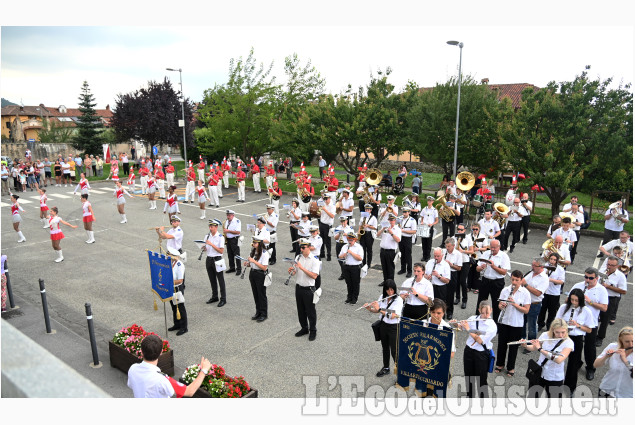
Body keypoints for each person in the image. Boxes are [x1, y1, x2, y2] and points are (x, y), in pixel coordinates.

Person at [128, 334, 211, 398]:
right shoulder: (162, 379)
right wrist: (204, 370)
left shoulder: (133, 368)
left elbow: (131, 385)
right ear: (161, 352)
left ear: (141, 351)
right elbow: (189, 391)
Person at [570, 267, 608, 381]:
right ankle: (576, 363)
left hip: (591, 323)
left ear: (596, 278)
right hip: (577, 321)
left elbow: (604, 308)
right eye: (586, 277)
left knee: (589, 347)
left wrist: (590, 301)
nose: (587, 280)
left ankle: (591, 368)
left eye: (590, 278)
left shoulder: (601, 290)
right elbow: (568, 299)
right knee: (576, 345)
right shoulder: (578, 285)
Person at [522, 318, 574, 398]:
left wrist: (540, 349)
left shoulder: (569, 343)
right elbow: (534, 347)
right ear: (553, 330)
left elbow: (559, 360)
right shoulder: (545, 335)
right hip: (539, 372)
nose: (560, 335)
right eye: (557, 332)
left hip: (555, 376)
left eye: (563, 332)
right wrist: (525, 345)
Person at [555, 288, 593, 393]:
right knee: (556, 359)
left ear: (581, 300)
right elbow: (556, 321)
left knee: (573, 364)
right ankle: (554, 383)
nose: (574, 303)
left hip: (576, 338)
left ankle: (569, 388)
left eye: (576, 300)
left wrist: (577, 325)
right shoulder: (564, 307)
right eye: (572, 300)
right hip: (563, 336)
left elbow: (589, 330)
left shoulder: (586, 311)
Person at [457, 300, 497, 398]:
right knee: (468, 376)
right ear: (479, 310)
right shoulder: (473, 319)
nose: (485, 315)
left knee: (481, 379)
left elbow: (480, 340)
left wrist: (468, 329)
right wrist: (457, 324)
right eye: (483, 312)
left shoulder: (492, 326)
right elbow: (461, 328)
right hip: (469, 350)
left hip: (481, 354)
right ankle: (469, 396)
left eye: (487, 312)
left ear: (491, 310)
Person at [364, 279, 404, 378]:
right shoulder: (383, 297)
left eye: (392, 290)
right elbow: (377, 311)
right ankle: (386, 368)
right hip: (384, 325)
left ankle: (400, 374)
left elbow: (394, 315)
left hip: (394, 327)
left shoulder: (398, 300)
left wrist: (380, 309)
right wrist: (370, 309)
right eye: (388, 290)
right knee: (385, 348)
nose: (390, 292)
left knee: (395, 351)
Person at [494, 270, 531, 377]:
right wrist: (502, 306)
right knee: (502, 344)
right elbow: (499, 305)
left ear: (521, 280)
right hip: (504, 321)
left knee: (513, 347)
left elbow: (526, 310)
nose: (514, 282)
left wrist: (515, 304)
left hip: (516, 323)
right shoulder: (505, 290)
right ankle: (500, 364)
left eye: (517, 280)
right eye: (513, 279)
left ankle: (511, 367)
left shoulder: (525, 293)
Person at [291, 239, 321, 341]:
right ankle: (304, 328)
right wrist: (292, 271)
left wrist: (302, 268)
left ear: (309, 247)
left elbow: (314, 276)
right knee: (300, 310)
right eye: (300, 247)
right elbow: (295, 271)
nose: (301, 249)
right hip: (299, 287)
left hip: (309, 290)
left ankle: (313, 330)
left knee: (310, 312)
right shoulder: (298, 257)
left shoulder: (315, 260)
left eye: (303, 247)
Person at [475, 239, 510, 322]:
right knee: (481, 302)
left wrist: (494, 267)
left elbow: (504, 271)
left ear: (499, 247)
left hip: (497, 282)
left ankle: (496, 324)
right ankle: (478, 320)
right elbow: (477, 268)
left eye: (494, 248)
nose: (492, 249)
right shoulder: (486, 253)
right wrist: (481, 267)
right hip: (485, 280)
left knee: (496, 303)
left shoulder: (504, 256)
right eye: (491, 247)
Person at [593, 326, 633, 398]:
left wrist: (625, 360)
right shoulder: (612, 347)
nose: (631, 345)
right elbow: (595, 365)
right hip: (606, 390)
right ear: (621, 340)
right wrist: (606, 357)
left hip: (627, 395)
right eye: (627, 341)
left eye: (633, 341)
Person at [519, 259, 549, 353]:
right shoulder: (530, 273)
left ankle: (531, 345)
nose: (532, 267)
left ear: (541, 267)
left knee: (531, 326)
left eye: (535, 266)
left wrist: (525, 284)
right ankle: (522, 341)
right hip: (524, 302)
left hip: (534, 304)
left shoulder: (544, 278)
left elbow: (538, 293)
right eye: (532, 264)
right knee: (522, 323)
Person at [597, 256, 628, 346]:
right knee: (594, 316)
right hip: (599, 296)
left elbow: (623, 291)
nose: (609, 267)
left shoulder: (620, 276)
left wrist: (608, 286)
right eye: (608, 264)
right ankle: (591, 334)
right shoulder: (602, 272)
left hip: (611, 298)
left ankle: (600, 337)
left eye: (612, 265)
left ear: (617, 266)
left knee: (605, 320)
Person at [537, 252, 566, 332]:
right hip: (544, 291)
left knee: (552, 311)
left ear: (557, 261)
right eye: (551, 259)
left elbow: (561, 281)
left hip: (554, 293)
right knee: (542, 309)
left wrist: (550, 279)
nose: (552, 261)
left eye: (554, 260)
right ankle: (540, 323)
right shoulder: (545, 266)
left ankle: (549, 325)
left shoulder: (560, 269)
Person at [202, 219, 227, 307]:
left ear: (216, 227)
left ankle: (223, 299)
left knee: (220, 280)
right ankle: (215, 296)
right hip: (209, 259)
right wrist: (204, 247)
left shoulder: (220, 237)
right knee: (212, 279)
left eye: (212, 227)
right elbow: (206, 248)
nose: (210, 228)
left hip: (217, 259)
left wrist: (211, 244)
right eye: (209, 226)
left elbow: (221, 251)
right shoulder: (207, 236)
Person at [246, 236, 269, 322]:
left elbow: (264, 268)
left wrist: (253, 261)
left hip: (260, 274)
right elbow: (251, 264)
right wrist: (247, 264)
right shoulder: (253, 251)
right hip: (252, 273)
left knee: (261, 294)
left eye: (255, 243)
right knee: (255, 293)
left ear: (259, 244)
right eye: (253, 243)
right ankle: (258, 312)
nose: (253, 244)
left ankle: (264, 313)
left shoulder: (264, 253)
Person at [167, 248, 188, 335]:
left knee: (180, 307)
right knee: (173, 307)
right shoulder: (171, 263)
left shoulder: (179, 265)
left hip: (177, 288)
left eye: (168, 254)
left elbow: (180, 280)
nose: (167, 255)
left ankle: (184, 327)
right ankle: (177, 324)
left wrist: (168, 282)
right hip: (171, 287)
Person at [340, 232, 364, 304]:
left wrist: (351, 253)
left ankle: (354, 298)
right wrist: (343, 255)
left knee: (355, 283)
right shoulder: (345, 246)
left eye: (351, 240)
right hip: (346, 266)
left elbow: (360, 258)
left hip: (355, 267)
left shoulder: (359, 247)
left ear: (355, 240)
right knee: (349, 283)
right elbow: (339, 256)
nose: (349, 241)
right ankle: (349, 297)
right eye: (348, 239)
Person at [441, 238, 462, 320]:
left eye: (449, 246)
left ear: (453, 246)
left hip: (452, 273)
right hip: (443, 273)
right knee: (442, 294)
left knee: (450, 295)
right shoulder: (443, 251)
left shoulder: (458, 254)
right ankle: (441, 312)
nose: (447, 248)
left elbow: (459, 268)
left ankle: (449, 312)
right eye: (446, 246)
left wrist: (451, 265)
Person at [454, 224, 473, 309]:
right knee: (456, 281)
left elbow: (472, 251)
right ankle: (457, 298)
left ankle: (464, 300)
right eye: (458, 229)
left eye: (461, 230)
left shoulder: (468, 238)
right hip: (456, 261)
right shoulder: (454, 237)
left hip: (465, 261)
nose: (459, 231)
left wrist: (463, 251)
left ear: (465, 230)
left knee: (462, 281)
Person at [397, 207, 417, 278]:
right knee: (402, 254)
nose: (404, 213)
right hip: (401, 238)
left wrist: (404, 231)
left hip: (408, 238)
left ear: (409, 212)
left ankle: (409, 271)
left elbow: (414, 231)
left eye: (406, 212)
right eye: (403, 212)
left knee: (408, 255)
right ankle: (403, 269)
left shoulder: (412, 220)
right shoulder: (400, 218)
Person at [419, 196, 438, 262]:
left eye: (430, 201)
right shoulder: (424, 209)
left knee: (429, 243)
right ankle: (424, 256)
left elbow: (436, 220)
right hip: (424, 226)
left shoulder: (434, 210)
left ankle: (428, 256)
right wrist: (422, 221)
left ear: (432, 202)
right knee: (423, 242)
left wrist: (432, 224)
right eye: (428, 201)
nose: (429, 202)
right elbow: (422, 217)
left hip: (430, 227)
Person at [359, 203, 378, 269]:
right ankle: (363, 263)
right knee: (362, 249)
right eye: (366, 209)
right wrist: (359, 231)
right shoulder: (362, 216)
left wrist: (368, 226)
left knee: (369, 250)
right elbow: (360, 225)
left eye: (368, 209)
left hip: (369, 234)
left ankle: (368, 263)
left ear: (370, 210)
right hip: (363, 234)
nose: (367, 210)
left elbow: (375, 227)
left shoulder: (373, 218)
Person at [318, 194, 336, 260]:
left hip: (328, 225)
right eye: (324, 199)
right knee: (321, 240)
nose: (325, 200)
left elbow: (332, 216)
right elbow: (320, 214)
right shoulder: (323, 204)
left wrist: (325, 209)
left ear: (329, 198)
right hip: (322, 223)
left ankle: (329, 255)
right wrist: (319, 212)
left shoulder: (332, 206)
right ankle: (322, 253)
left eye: (326, 199)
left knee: (328, 241)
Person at [224, 210, 242, 275]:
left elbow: (238, 232)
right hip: (228, 240)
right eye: (227, 215)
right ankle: (232, 267)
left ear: (233, 215)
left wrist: (228, 231)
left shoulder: (237, 221)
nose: (228, 217)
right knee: (230, 254)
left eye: (229, 215)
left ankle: (239, 269)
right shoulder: (227, 221)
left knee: (236, 255)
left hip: (234, 240)